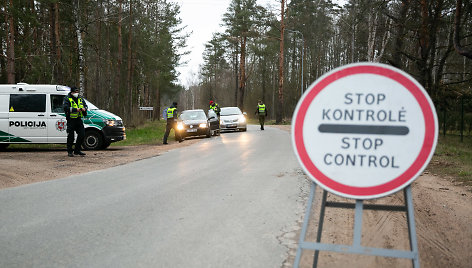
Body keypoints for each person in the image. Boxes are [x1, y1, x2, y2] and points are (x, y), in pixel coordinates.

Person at [63, 86, 88, 157]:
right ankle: (70, 151)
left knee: (82, 134)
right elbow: (65, 108)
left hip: (78, 119)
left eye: (77, 92)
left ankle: (77, 150)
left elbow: (86, 106)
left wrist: (84, 109)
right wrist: (75, 109)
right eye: (75, 92)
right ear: (72, 92)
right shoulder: (67, 98)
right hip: (71, 119)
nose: (76, 93)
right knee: (71, 136)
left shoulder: (80, 98)